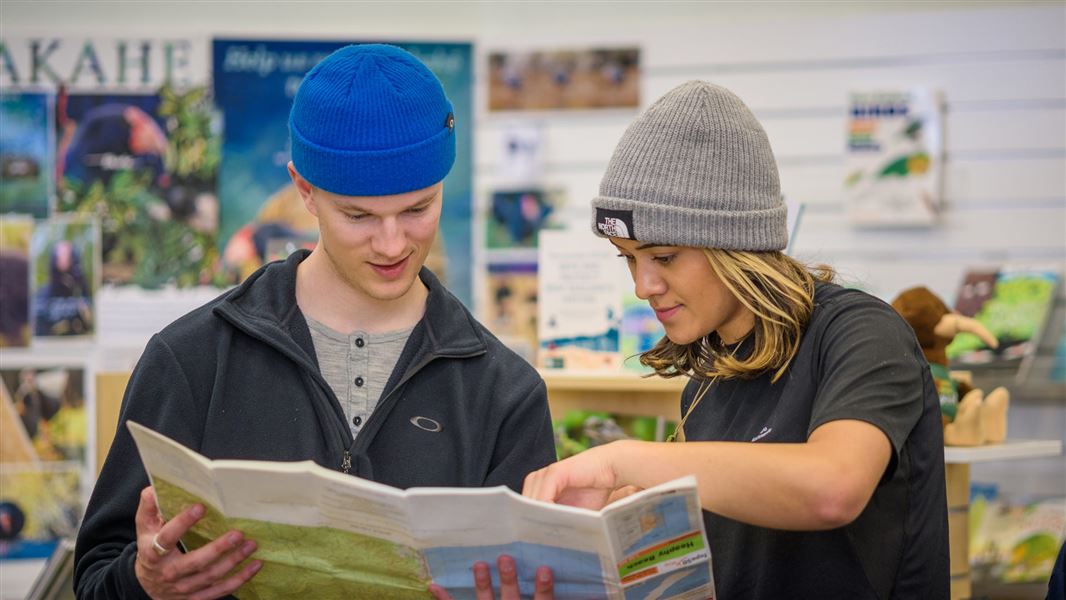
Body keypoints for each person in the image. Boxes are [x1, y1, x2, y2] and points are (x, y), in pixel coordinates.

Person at [74, 44, 556, 600]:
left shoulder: (507, 394)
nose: (394, 243)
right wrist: (142, 582)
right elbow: (92, 582)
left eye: (418, 209)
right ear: (304, 190)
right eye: (359, 216)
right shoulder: (189, 361)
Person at [522, 81, 950, 599]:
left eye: (663, 256)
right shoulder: (707, 382)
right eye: (628, 258)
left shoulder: (861, 334)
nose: (642, 286)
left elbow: (832, 487)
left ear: (735, 243)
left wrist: (624, 460)